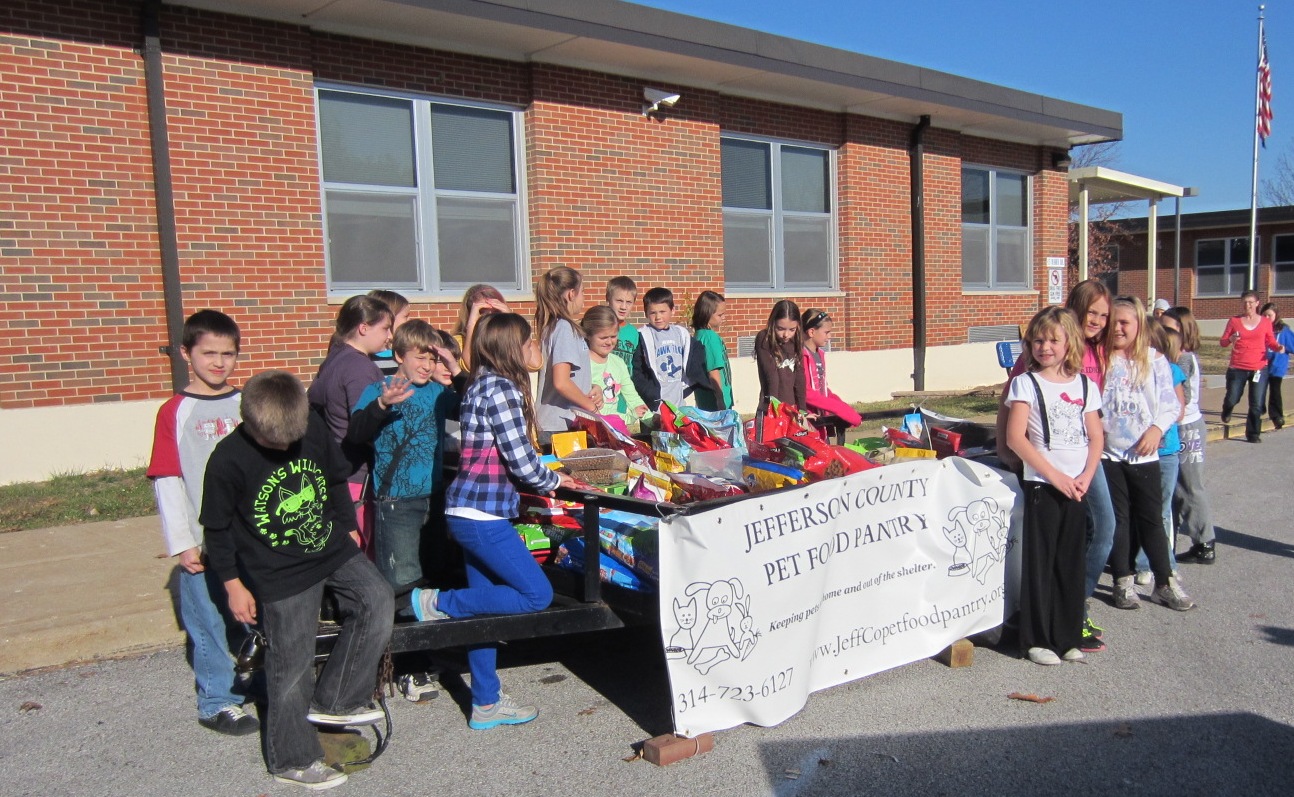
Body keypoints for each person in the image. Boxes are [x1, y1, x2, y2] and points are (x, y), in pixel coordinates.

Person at [202, 370, 394, 790]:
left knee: (377, 600)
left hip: (329, 544)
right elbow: (216, 530)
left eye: (292, 439)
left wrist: (347, 526)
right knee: (291, 666)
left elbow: (334, 479)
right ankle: (291, 758)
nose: (287, 447)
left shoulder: (313, 427)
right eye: (276, 444)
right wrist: (234, 584)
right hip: (278, 571)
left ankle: (337, 700)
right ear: (251, 425)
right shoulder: (227, 460)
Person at [409, 313, 577, 729]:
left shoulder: (482, 383)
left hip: (471, 511)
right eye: (528, 341)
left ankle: (485, 702)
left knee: (487, 614)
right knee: (535, 594)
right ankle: (437, 603)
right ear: (511, 348)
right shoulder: (500, 389)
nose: (534, 347)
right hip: (481, 515)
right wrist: (557, 479)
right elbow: (522, 461)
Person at [146, 310, 256, 736]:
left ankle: (259, 682)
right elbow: (168, 477)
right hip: (203, 540)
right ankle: (217, 700)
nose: (218, 362)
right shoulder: (175, 412)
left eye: (228, 354)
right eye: (208, 353)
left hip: (249, 538)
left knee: (253, 616)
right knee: (208, 621)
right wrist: (183, 541)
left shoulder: (246, 402)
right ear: (185, 353)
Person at [996, 279, 1114, 652]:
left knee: (1069, 562)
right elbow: (1017, 438)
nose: (1045, 347)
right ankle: (1038, 639)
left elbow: (1095, 437)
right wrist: (1055, 477)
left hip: (1075, 485)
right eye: (1038, 341)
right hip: (1043, 485)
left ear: (1069, 345)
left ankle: (1066, 636)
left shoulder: (1084, 386)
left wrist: (1084, 477)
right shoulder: (1025, 384)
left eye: (1053, 341)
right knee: (1041, 562)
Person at [346, 320, 461, 594]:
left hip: (432, 498)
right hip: (396, 500)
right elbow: (355, 432)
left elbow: (470, 405)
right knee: (401, 581)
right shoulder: (378, 390)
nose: (427, 366)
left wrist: (455, 368)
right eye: (420, 357)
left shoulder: (438, 393)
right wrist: (382, 405)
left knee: (434, 574)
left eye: (433, 359)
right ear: (399, 356)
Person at [1101, 297, 1193, 612]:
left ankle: (1164, 582)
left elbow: (1171, 405)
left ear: (1140, 325)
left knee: (1152, 519)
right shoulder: (1101, 359)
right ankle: (1123, 581)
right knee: (1120, 522)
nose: (1118, 328)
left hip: (1144, 455)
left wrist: (1156, 429)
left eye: (1125, 322)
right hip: (1108, 456)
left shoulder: (1154, 361)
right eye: (1113, 321)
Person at [307, 295, 394, 551]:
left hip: (339, 469)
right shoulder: (358, 367)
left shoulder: (334, 359)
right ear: (363, 327)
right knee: (362, 553)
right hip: (357, 474)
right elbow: (364, 424)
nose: (389, 336)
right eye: (385, 328)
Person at [1162, 307, 1219, 567]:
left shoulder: (1182, 359)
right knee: (1176, 489)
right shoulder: (1179, 357)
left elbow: (1178, 401)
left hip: (1187, 427)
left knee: (1189, 486)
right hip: (1186, 424)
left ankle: (1204, 542)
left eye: (1170, 329)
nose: (1163, 333)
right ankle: (1173, 541)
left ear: (1183, 332)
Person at [1133, 321, 1185, 586]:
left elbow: (1179, 409)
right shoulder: (1128, 369)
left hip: (1165, 452)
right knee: (1143, 509)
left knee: (1161, 510)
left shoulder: (1170, 370)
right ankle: (1142, 563)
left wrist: (1156, 424)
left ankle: (1166, 563)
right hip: (1138, 451)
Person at [535, 266, 599, 438]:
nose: (583, 298)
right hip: (559, 425)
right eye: (583, 292)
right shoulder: (564, 328)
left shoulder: (554, 327)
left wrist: (592, 388)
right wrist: (593, 409)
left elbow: (569, 378)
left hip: (559, 424)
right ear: (571, 294)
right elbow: (561, 382)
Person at [1219, 290, 1283, 444]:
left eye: (1251, 302)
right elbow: (1223, 341)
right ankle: (1227, 408)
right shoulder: (1234, 321)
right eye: (1245, 302)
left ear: (1257, 303)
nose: (1247, 305)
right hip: (1237, 367)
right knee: (1233, 396)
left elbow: (1271, 341)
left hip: (1259, 367)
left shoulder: (1265, 322)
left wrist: (1278, 347)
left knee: (1256, 403)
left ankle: (1253, 433)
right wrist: (1231, 338)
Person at [631, 286, 706, 410]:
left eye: (662, 312)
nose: (658, 317)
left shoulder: (681, 334)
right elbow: (638, 371)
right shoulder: (643, 335)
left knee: (680, 429)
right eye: (653, 313)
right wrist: (650, 395)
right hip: (655, 405)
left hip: (678, 402)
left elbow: (694, 358)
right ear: (646, 313)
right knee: (655, 430)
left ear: (673, 310)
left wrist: (692, 384)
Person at [581, 305, 648, 433]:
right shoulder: (582, 363)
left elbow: (632, 396)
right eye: (603, 338)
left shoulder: (618, 362)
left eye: (613, 336)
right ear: (588, 335)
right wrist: (627, 417)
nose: (609, 342)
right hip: (590, 429)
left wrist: (653, 419)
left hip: (614, 427)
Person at [800, 308, 862, 438]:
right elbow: (807, 393)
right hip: (808, 420)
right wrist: (840, 409)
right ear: (811, 332)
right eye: (826, 332)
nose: (829, 337)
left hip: (821, 419)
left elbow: (823, 389)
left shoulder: (819, 354)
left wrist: (845, 409)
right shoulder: (801, 356)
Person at [753, 299, 806, 411]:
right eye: (780, 329)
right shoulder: (764, 339)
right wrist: (775, 408)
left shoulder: (797, 341)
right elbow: (771, 376)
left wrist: (802, 410)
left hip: (792, 408)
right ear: (773, 323)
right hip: (771, 406)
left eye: (792, 329)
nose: (786, 335)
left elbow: (799, 378)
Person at [691, 290, 733, 411]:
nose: (723, 318)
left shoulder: (699, 335)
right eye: (720, 315)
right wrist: (720, 399)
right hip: (716, 402)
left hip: (704, 401)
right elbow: (713, 370)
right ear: (707, 314)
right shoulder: (710, 337)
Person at [453, 284, 511, 371]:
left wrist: (512, 320)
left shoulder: (506, 339)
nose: (490, 318)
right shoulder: (458, 342)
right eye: (483, 312)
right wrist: (472, 325)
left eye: (496, 312)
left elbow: (535, 363)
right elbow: (472, 366)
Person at [1261, 301, 1294, 430]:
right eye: (1265, 315)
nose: (1267, 318)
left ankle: (1277, 416)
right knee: (1259, 389)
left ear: (1276, 315)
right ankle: (1260, 408)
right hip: (1261, 365)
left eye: (1270, 315)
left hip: (1277, 366)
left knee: (1275, 391)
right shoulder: (1259, 328)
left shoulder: (1283, 330)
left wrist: (1283, 348)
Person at [367, 289, 411, 377]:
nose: (409, 320)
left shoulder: (406, 351)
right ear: (390, 317)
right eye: (405, 316)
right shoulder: (367, 357)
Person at [606, 276, 640, 369]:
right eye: (619, 301)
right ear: (608, 299)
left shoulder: (634, 333)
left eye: (629, 302)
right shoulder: (598, 327)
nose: (623, 307)